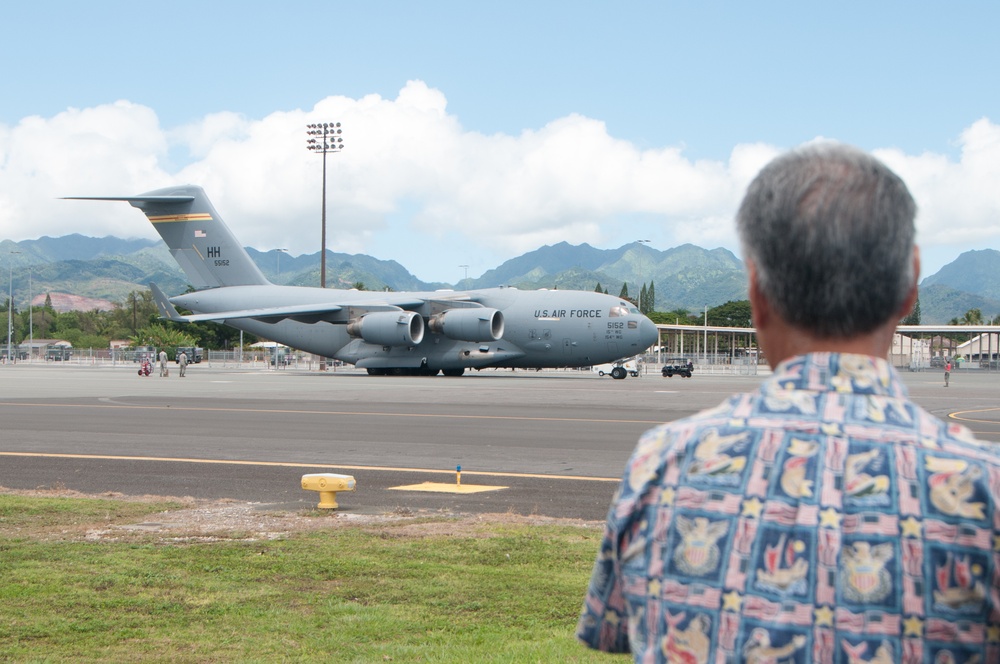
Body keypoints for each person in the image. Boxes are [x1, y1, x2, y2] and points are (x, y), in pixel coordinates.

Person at [577, 143, 1000, 663]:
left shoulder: (661, 466)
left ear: (756, 289)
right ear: (910, 284)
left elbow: (618, 635)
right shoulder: (984, 489)